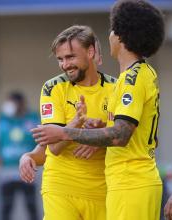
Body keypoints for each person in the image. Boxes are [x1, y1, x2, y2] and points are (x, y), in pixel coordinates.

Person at [31, 1, 165, 219]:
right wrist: (98, 131)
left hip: (130, 181)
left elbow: (121, 134)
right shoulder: (132, 76)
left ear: (122, 36)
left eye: (113, 29)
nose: (109, 35)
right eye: (61, 59)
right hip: (122, 181)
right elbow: (136, 133)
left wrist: (67, 132)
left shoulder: (131, 79)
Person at [20, 25, 116, 220]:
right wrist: (77, 123)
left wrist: (101, 136)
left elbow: (128, 138)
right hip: (60, 188)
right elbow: (54, 147)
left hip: (104, 190)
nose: (65, 64)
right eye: (60, 59)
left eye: (70, 57)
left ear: (90, 52)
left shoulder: (117, 88)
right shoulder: (53, 88)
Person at [0, 91, 39, 220]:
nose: (9, 105)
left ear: (20, 103)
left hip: (27, 169)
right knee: (6, 206)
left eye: (12, 102)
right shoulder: (2, 119)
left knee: (31, 205)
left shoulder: (33, 118)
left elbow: (40, 142)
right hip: (7, 170)